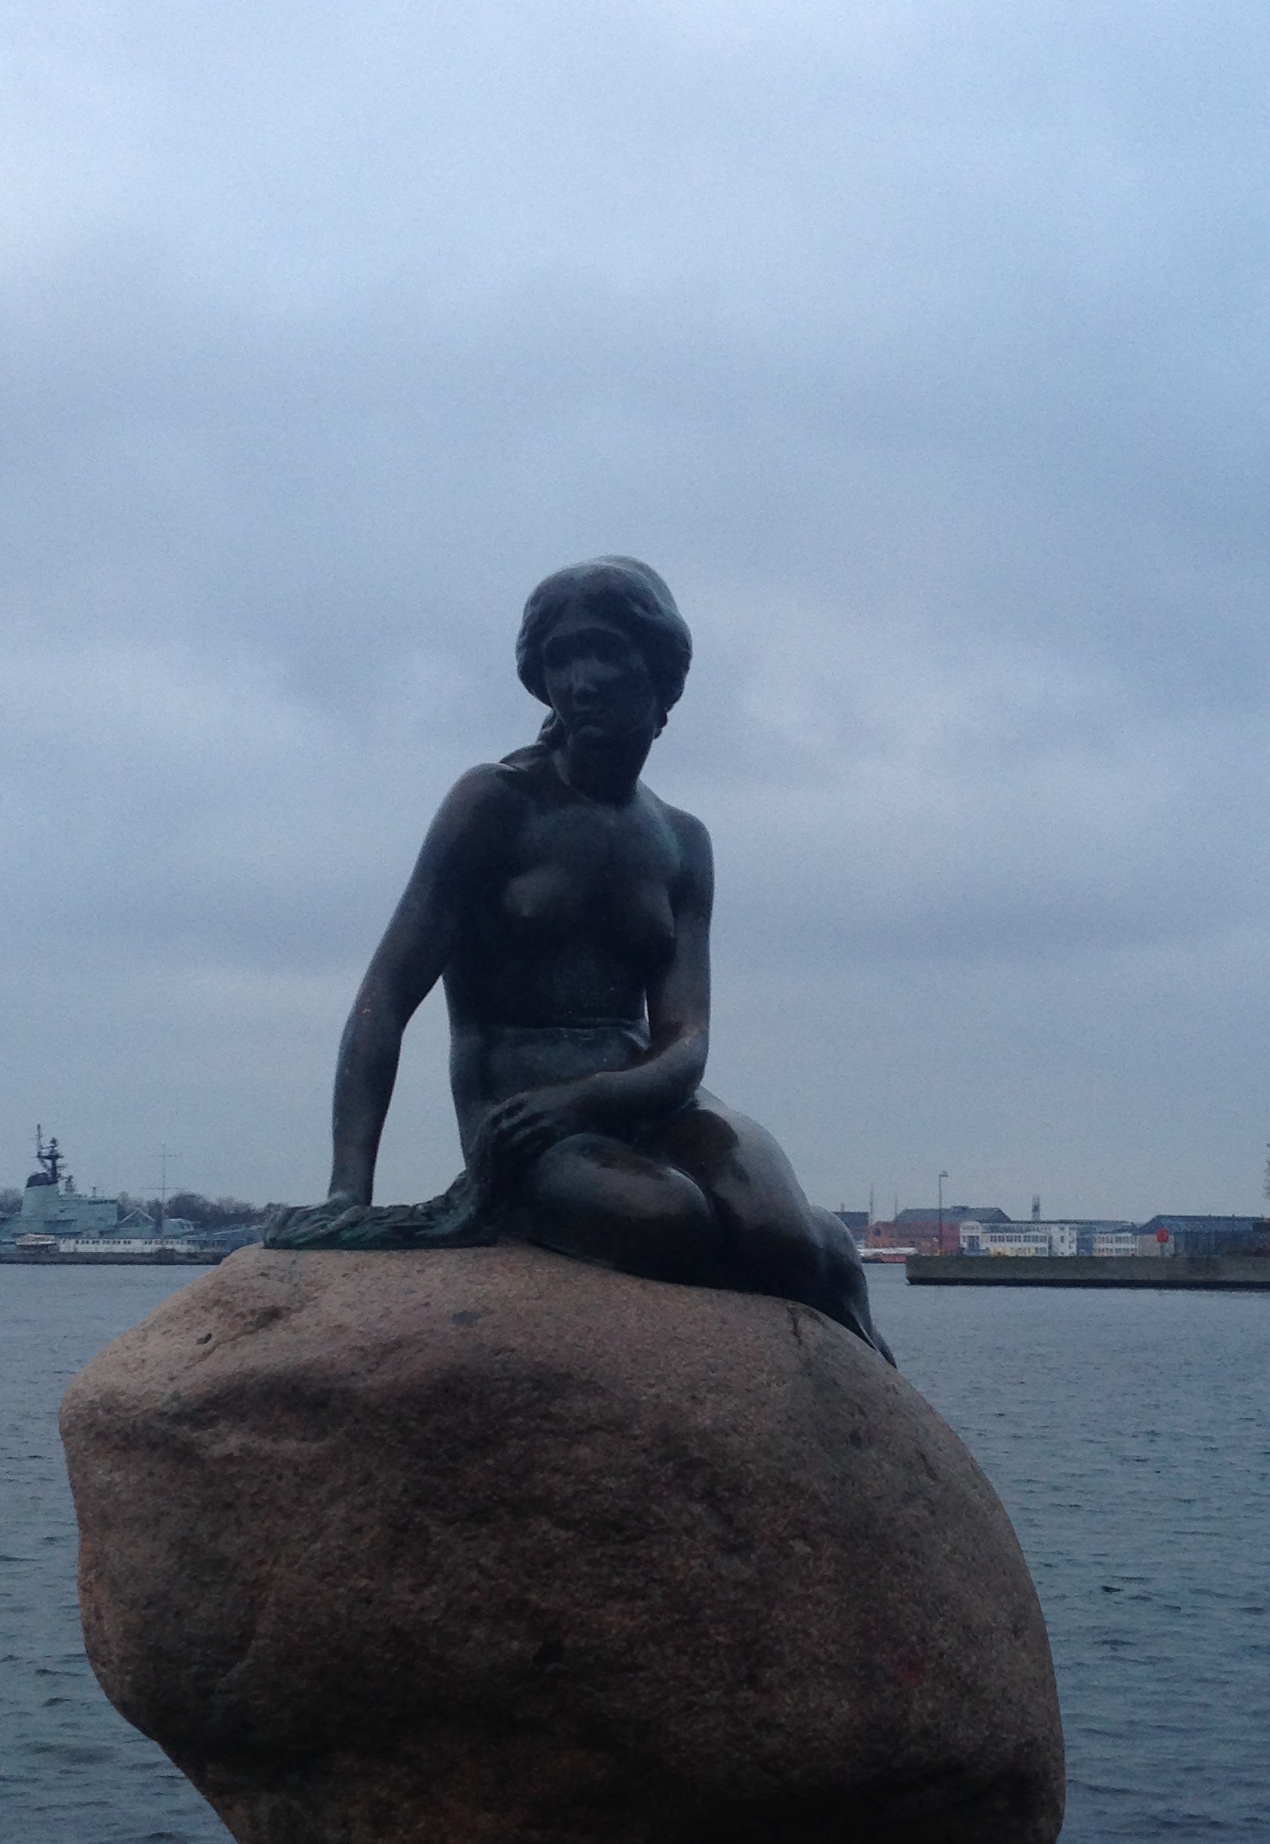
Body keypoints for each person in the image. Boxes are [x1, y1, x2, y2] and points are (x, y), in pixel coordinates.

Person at [268, 557, 885, 1355]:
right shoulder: (496, 803)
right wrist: (347, 1190)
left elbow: (685, 1038)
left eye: (603, 652)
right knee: (671, 1223)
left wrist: (596, 1096)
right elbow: (384, 997)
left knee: (789, 1240)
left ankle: (844, 1329)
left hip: (647, 1098)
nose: (580, 680)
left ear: (657, 668)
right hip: (524, 1117)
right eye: (560, 658)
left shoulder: (682, 840)